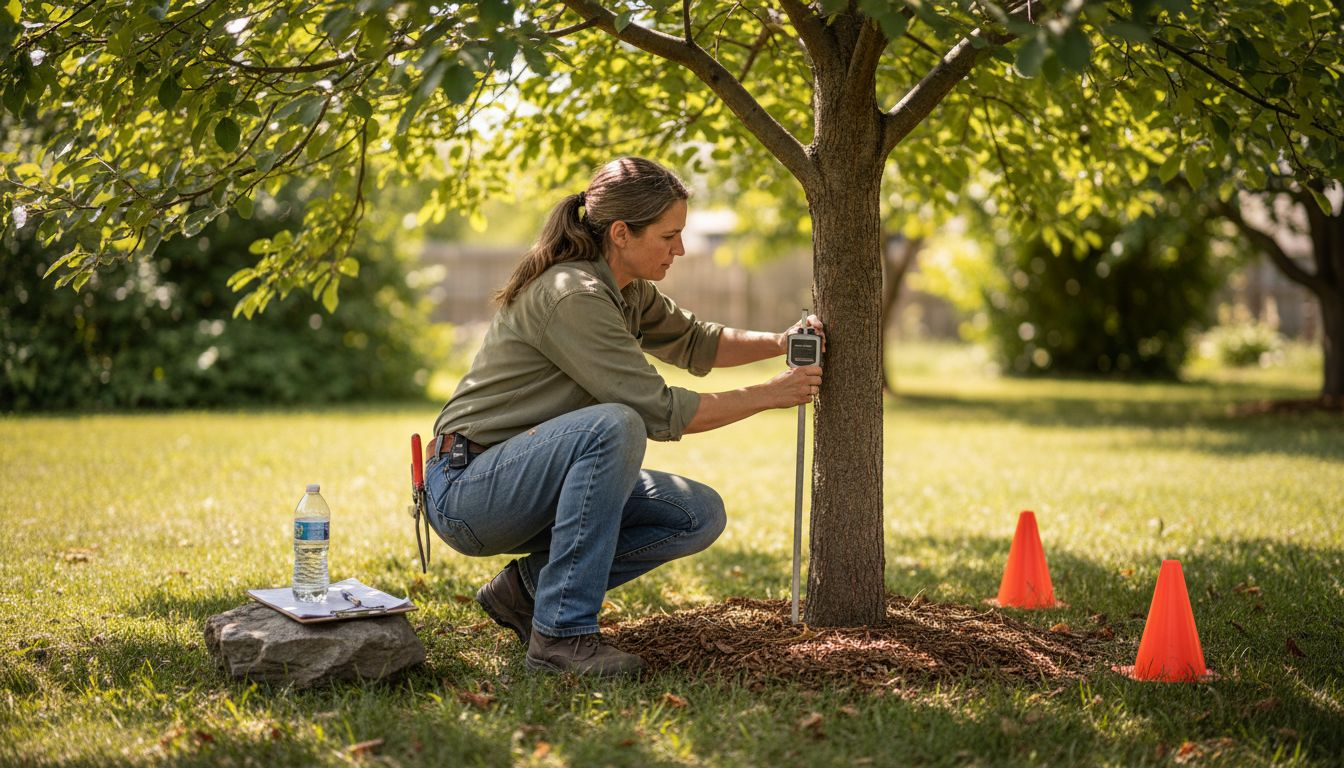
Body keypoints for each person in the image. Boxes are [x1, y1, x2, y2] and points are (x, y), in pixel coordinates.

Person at [425, 157, 824, 677]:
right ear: (621, 233)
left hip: (523, 482)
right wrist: (773, 394)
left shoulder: (627, 291)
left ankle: (521, 594)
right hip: (470, 492)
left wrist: (784, 344)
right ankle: (561, 639)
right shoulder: (574, 295)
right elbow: (657, 410)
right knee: (615, 424)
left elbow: (696, 341)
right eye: (669, 236)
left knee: (695, 513)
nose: (679, 249)